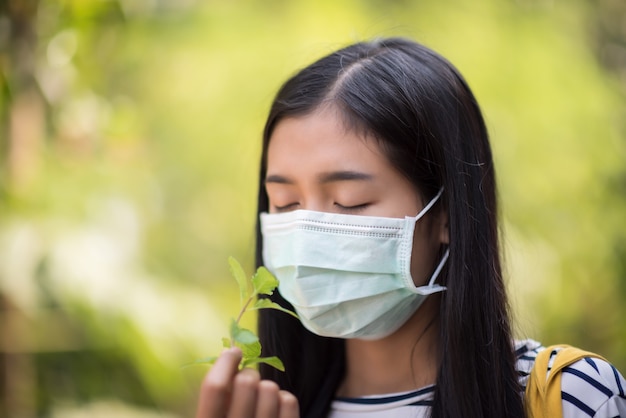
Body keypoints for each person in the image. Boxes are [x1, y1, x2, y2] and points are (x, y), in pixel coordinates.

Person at [195, 37, 626, 418]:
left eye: (349, 203)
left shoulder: (568, 396)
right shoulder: (262, 409)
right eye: (285, 203)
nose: (307, 233)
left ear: (446, 216)